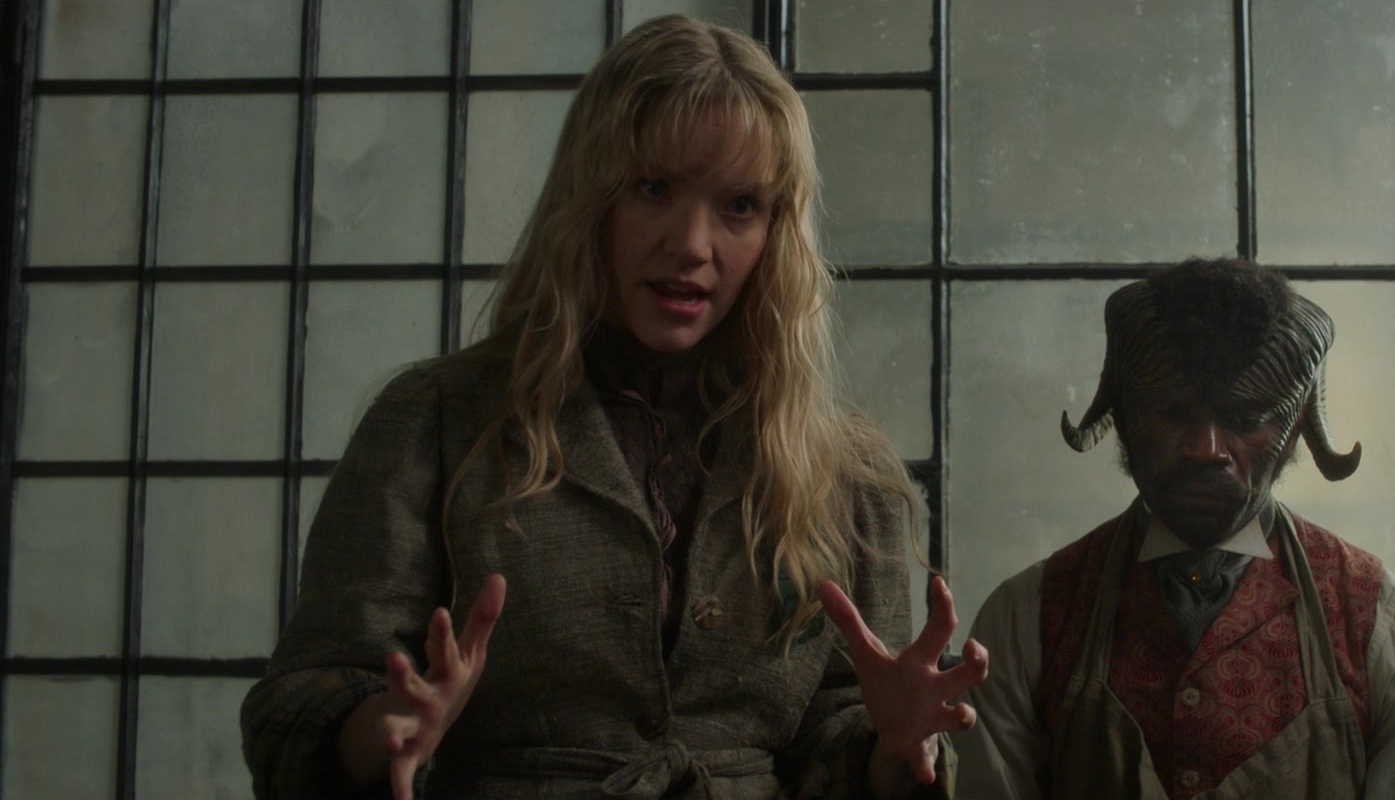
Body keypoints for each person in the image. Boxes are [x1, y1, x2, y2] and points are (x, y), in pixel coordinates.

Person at [241, 15, 986, 800]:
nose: (692, 243)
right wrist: (378, 727)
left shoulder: (843, 473)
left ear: (778, 231)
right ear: (587, 198)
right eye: (653, 189)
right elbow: (297, 707)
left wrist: (895, 750)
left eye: (739, 205)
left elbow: (845, 729)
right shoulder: (437, 423)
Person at [952, 258, 1395, 799]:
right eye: (1171, 412)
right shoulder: (1027, 620)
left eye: (1244, 418)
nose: (1206, 449)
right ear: (1123, 415)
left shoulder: (1386, 628)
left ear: (1295, 426)